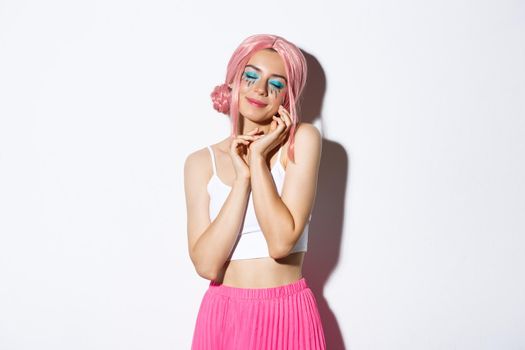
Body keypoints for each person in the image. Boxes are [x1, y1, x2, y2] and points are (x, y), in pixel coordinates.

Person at [184, 34, 326, 349]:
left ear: (287, 98)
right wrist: (242, 178)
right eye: (251, 76)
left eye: (276, 84)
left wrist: (259, 159)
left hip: (287, 314)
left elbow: (281, 242)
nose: (260, 90)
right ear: (233, 81)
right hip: (223, 317)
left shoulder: (301, 141)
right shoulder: (200, 163)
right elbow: (207, 266)